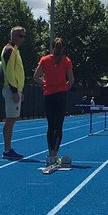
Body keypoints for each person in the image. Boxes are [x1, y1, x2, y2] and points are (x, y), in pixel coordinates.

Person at [32, 37, 75, 167]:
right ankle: (55, 153)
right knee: (58, 125)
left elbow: (35, 77)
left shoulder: (45, 60)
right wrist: (63, 87)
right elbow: (71, 80)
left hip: (49, 95)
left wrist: (46, 83)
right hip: (61, 95)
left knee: (50, 125)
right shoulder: (66, 61)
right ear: (63, 49)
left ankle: (51, 154)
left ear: (52, 48)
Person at [0, 26, 27, 159]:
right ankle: (7, 149)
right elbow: (10, 72)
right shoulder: (9, 50)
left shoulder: (16, 50)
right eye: (20, 36)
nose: (22, 39)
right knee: (10, 119)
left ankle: (8, 148)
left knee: (12, 119)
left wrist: (20, 90)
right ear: (13, 36)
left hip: (15, 89)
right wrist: (15, 90)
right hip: (11, 89)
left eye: (24, 36)